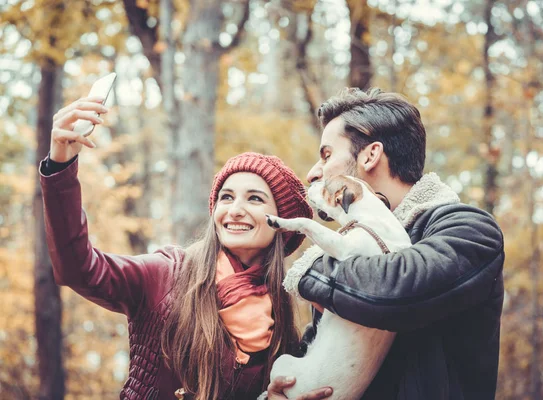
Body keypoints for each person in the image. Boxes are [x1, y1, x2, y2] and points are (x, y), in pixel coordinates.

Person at [40, 96, 323, 400]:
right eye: (226, 197)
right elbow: (77, 268)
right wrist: (61, 166)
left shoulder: (284, 311)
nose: (235, 210)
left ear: (280, 224)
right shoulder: (166, 272)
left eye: (254, 199)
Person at [267, 88, 504, 399]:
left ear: (370, 155)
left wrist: (311, 271)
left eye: (326, 154)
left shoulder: (469, 230)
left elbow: (395, 290)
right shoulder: (351, 249)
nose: (314, 172)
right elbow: (319, 349)